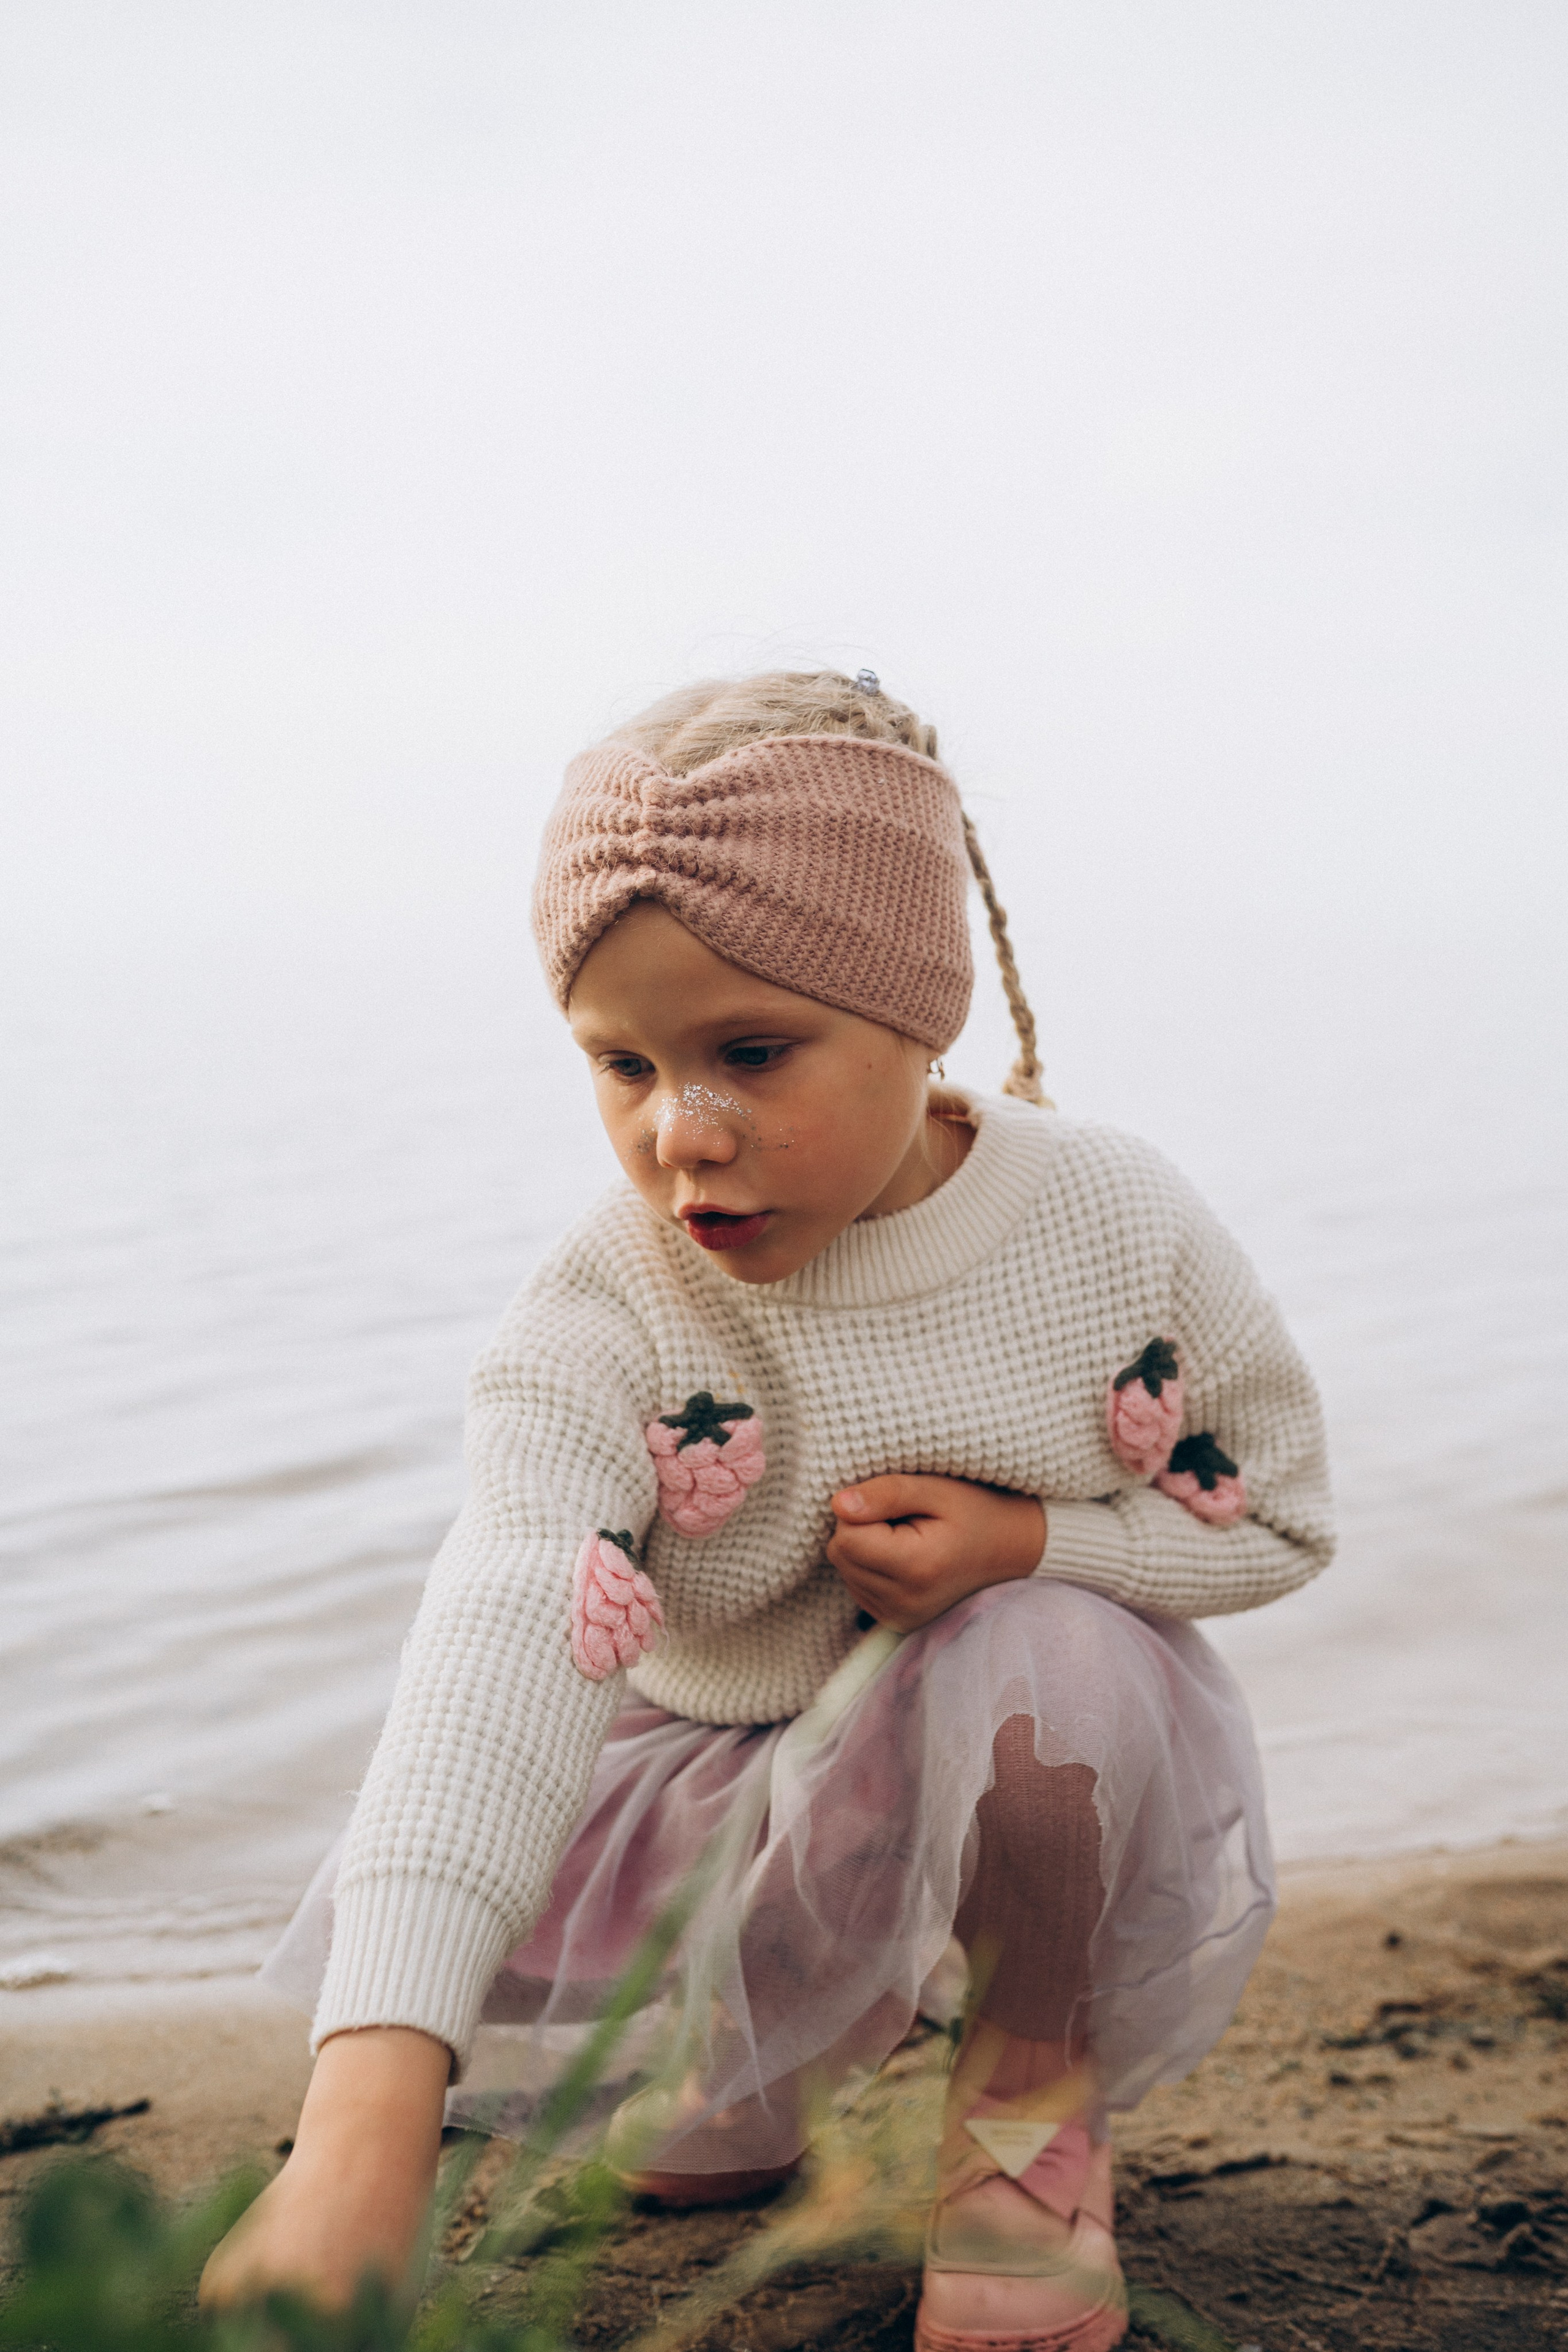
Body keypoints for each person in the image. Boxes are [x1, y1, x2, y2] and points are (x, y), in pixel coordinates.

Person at [204, 671, 1333, 2351]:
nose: (683, 1133)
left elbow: (1283, 1512)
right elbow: (514, 1608)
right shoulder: (606, 1307)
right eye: (623, 1064)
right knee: (560, 1721)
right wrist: (367, 2126)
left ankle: (1022, 2135)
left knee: (1049, 1651)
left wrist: (1037, 1544)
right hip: (719, 1802)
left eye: (752, 1052)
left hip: (1027, 1786)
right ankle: (751, 2075)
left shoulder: (1110, 1225)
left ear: (916, 1009)